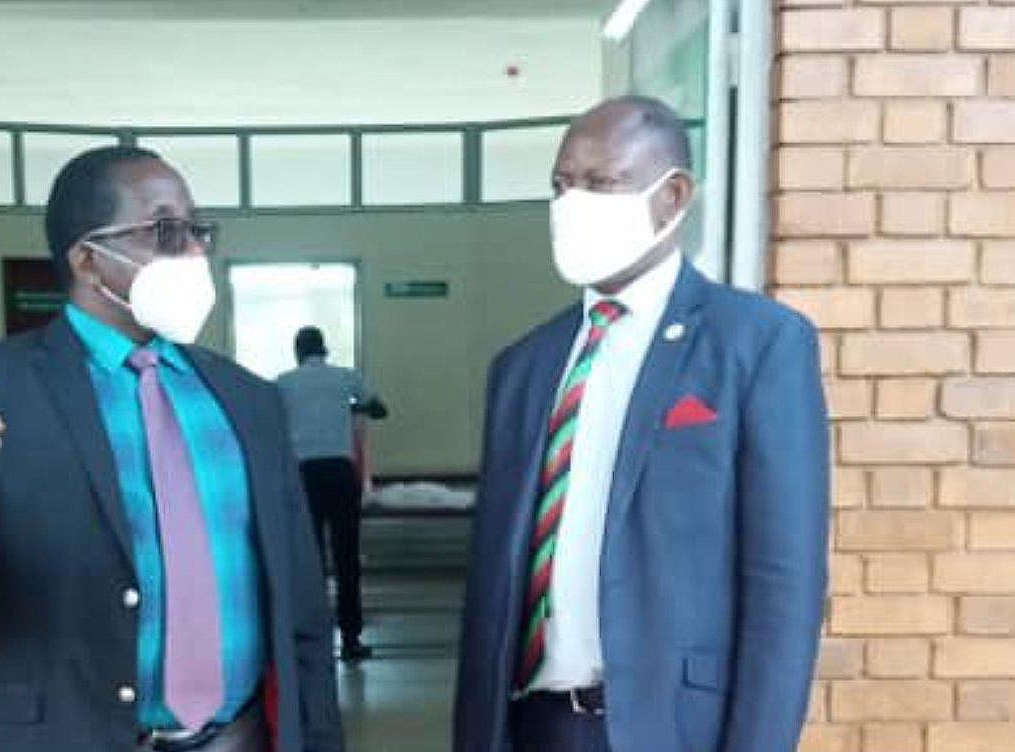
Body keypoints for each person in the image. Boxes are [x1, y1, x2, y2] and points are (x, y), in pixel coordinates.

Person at [0, 146, 342, 752]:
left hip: (237, 737)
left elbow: (300, 608)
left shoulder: (248, 399)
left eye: (196, 231)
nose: (193, 252)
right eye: (166, 231)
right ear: (87, 259)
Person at [453, 96, 829, 752]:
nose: (573, 202)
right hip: (533, 725)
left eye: (602, 183)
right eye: (562, 184)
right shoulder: (524, 366)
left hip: (674, 728)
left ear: (673, 195)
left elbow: (783, 583)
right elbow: (492, 580)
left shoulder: (756, 344)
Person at [275, 326, 387, 663]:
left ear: (298, 352)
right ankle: (351, 639)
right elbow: (380, 409)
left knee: (307, 559)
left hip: (303, 476)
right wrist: (351, 406)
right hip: (340, 473)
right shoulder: (346, 377)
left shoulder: (283, 383)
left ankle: (308, 638)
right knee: (346, 557)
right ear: (324, 350)